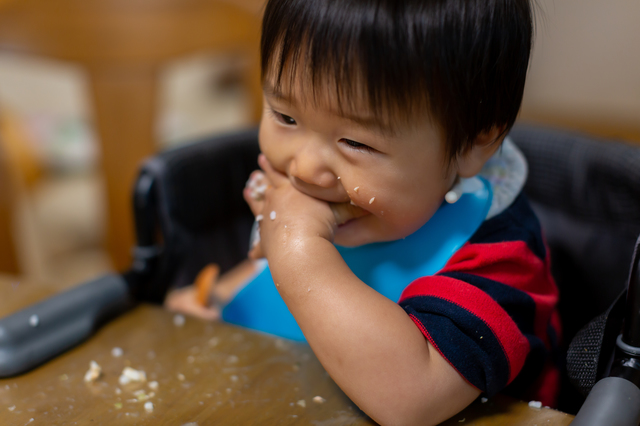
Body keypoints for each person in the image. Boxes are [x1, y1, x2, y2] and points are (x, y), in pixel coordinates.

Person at [166, 0, 560, 424]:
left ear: (473, 144)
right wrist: (218, 301)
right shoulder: (339, 209)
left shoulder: (499, 260)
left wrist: (298, 247)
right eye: (285, 116)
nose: (305, 168)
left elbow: (412, 398)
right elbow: (266, 278)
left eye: (356, 143)